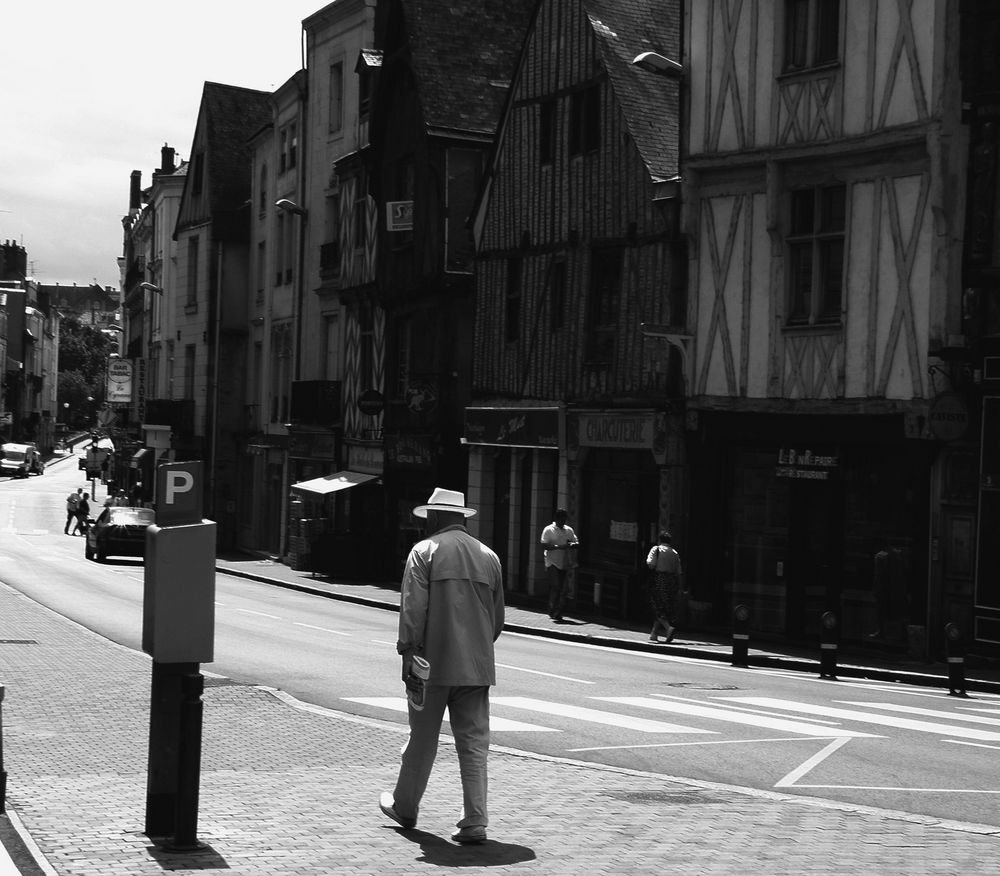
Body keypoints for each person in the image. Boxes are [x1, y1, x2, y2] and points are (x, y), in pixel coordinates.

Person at [379, 487, 504, 846]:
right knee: (474, 744)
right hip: (476, 668)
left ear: (433, 517)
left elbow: (413, 609)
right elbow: (497, 621)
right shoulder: (489, 557)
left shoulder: (424, 552)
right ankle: (475, 820)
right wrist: (475, 648)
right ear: (462, 517)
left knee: (422, 739)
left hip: (430, 665)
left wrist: (408, 652)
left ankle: (405, 806)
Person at [540, 509, 579, 621]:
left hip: (565, 562)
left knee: (562, 588)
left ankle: (557, 610)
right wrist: (558, 547)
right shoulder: (548, 530)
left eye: (564, 520)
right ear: (556, 519)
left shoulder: (568, 530)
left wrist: (571, 544)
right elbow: (544, 545)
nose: (563, 522)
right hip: (551, 562)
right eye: (561, 520)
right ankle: (553, 607)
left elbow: (576, 543)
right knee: (556, 585)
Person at [646, 530, 682, 643]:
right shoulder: (674, 552)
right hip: (671, 582)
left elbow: (650, 564)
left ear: (660, 540)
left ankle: (668, 628)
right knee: (666, 606)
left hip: (659, 580)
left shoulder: (656, 549)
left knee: (657, 605)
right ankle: (654, 634)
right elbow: (679, 571)